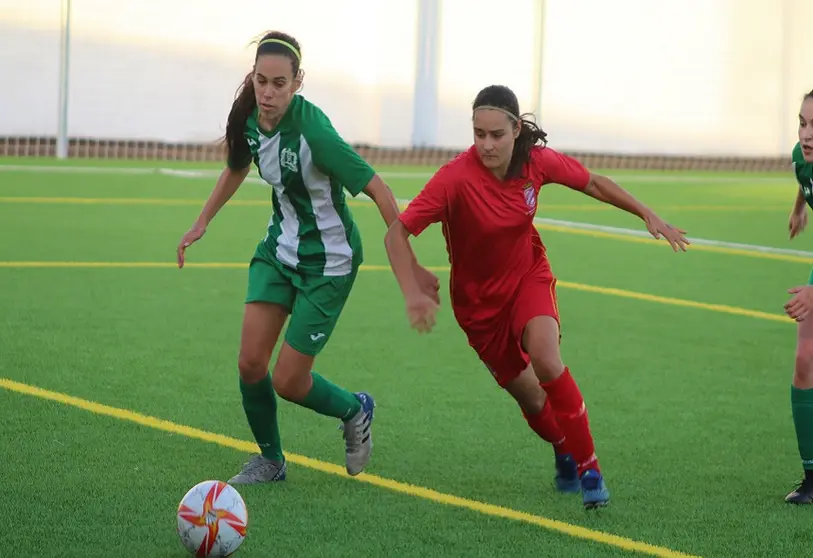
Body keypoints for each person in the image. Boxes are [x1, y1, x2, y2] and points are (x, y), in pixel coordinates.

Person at [384, 84, 689, 509]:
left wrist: (647, 214)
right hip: (477, 308)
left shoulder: (536, 162)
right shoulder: (454, 178)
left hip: (528, 276)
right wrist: (411, 288)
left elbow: (595, 183)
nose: (486, 144)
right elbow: (397, 231)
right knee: (532, 398)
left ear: (515, 130)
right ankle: (563, 448)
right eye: (478, 134)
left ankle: (590, 470)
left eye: (496, 135)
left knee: (546, 358)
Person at [176, 30, 439, 483]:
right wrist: (202, 222)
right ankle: (271, 461)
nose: (268, 92)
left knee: (289, 381)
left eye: (280, 83)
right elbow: (238, 166)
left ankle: (355, 410)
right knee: (250, 362)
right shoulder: (247, 115)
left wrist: (410, 270)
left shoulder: (315, 130)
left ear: (298, 82)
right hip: (279, 250)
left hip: (329, 263)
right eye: (261, 81)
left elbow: (379, 189)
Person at [782, 88, 813, 504]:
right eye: (803, 122)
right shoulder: (800, 156)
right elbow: (804, 176)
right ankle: (812, 477)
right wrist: (799, 207)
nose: (807, 134)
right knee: (805, 360)